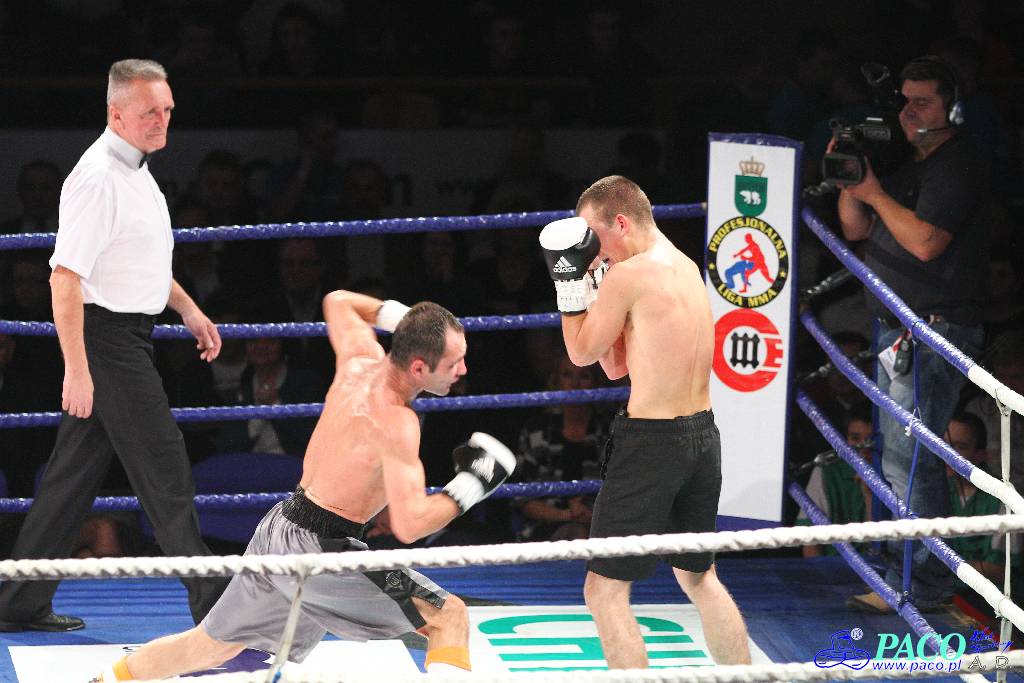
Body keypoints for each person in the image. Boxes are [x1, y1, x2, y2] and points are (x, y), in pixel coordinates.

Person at [93, 290, 516, 681]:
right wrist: (473, 484)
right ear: (419, 367)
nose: (463, 371)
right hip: (322, 552)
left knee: (210, 644)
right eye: (454, 363)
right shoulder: (397, 422)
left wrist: (407, 323)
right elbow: (410, 525)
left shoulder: (360, 361)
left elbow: (339, 302)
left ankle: (106, 680)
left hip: (281, 527)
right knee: (447, 616)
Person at [0, 59, 228, 633]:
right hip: (107, 343)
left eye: (167, 109)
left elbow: (140, 262)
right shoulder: (98, 176)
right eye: (149, 111)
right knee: (166, 469)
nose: (162, 120)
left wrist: (188, 308)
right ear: (116, 113)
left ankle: (17, 603)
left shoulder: (137, 172)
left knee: (69, 483)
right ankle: (217, 608)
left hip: (126, 337)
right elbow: (64, 278)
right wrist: (77, 368)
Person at [538, 175, 751, 668]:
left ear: (620, 222)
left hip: (653, 443)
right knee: (699, 577)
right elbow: (615, 366)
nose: (590, 248)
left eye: (593, 235)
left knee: (603, 591)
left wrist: (570, 286)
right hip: (702, 437)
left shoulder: (628, 277)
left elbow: (579, 354)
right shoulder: (683, 266)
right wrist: (595, 287)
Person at [835, 56, 991, 614]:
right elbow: (854, 228)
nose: (908, 112)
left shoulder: (958, 164)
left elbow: (926, 243)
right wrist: (851, 177)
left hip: (931, 331)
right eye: (904, 101)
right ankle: (911, 575)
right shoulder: (908, 162)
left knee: (911, 460)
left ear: (953, 108)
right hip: (900, 331)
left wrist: (875, 193)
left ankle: (922, 586)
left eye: (922, 102)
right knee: (900, 458)